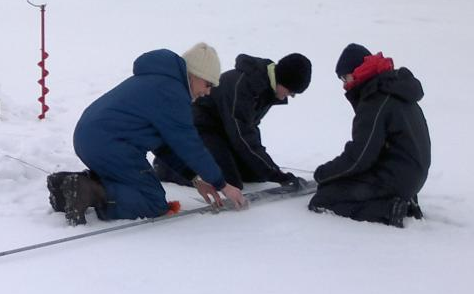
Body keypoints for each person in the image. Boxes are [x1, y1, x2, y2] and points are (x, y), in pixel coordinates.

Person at [47, 43, 246, 225]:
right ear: (194, 75)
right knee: (152, 201)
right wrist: (223, 184)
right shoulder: (173, 91)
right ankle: (90, 192)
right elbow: (189, 144)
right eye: (208, 84)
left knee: (128, 181)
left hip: (90, 137)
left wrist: (194, 179)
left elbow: (164, 146)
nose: (208, 92)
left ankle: (66, 187)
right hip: (110, 143)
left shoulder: (160, 81)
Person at [309, 43, 431, 227]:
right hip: (413, 174)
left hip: (396, 177)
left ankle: (389, 209)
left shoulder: (375, 99)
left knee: (323, 199)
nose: (344, 85)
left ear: (357, 70)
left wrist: (324, 174)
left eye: (344, 77)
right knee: (338, 185)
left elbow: (361, 156)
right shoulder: (394, 88)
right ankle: (402, 201)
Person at [153, 52, 312, 191]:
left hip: (226, 133)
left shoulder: (267, 89)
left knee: (256, 174)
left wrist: (268, 169)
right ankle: (167, 167)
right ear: (283, 79)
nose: (291, 96)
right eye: (291, 91)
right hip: (203, 128)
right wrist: (278, 175)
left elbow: (249, 128)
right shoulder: (244, 85)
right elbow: (242, 136)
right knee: (228, 181)